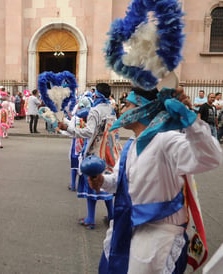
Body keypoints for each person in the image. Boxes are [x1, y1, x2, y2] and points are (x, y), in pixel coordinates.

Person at [88, 87, 222, 273]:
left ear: (143, 109)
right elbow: (119, 182)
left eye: (127, 105)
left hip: (159, 238)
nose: (122, 110)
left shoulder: (166, 140)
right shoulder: (131, 145)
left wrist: (190, 121)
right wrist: (102, 181)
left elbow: (211, 157)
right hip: (125, 229)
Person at [58, 83, 119, 230]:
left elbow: (88, 132)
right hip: (110, 153)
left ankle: (91, 219)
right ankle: (111, 215)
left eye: (94, 93)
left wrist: (68, 128)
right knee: (107, 184)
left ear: (97, 95)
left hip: (95, 152)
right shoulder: (111, 109)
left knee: (92, 183)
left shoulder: (95, 111)